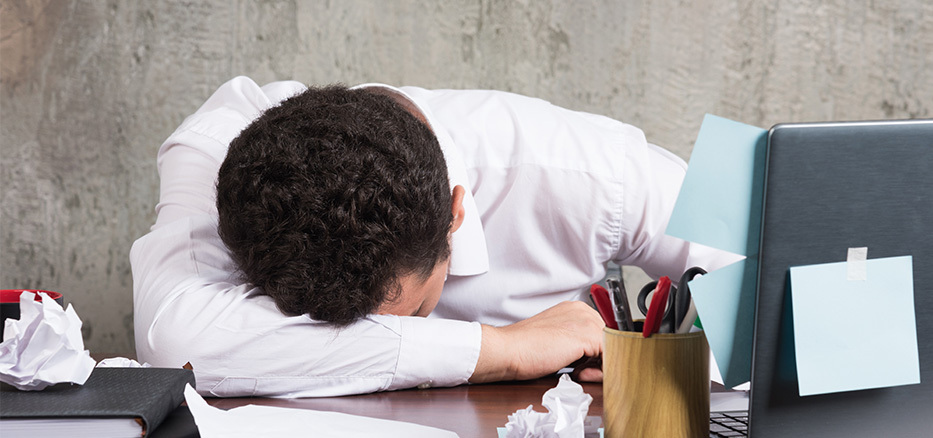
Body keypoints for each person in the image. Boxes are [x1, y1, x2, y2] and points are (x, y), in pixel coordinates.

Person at [131, 76, 738, 397]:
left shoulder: (592, 168)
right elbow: (175, 343)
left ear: (456, 213)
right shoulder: (215, 150)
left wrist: (672, 360)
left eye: (415, 309)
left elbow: (784, 275)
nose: (395, 328)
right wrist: (500, 349)